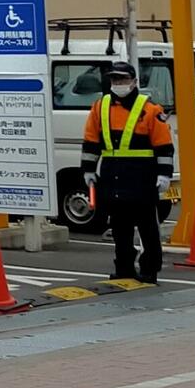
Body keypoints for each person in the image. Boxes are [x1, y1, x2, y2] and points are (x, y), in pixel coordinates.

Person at [80, 65, 175, 285]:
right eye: (114, 79)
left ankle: (150, 269)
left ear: (133, 81)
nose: (118, 84)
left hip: (142, 176)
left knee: (147, 226)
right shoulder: (100, 107)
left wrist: (164, 175)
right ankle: (123, 268)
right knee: (119, 226)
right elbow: (91, 141)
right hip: (112, 174)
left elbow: (164, 147)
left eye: (122, 79)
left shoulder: (150, 109)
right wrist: (88, 170)